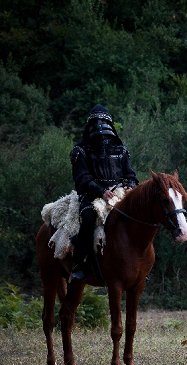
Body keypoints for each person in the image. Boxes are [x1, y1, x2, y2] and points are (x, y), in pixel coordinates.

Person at [69, 105, 138, 281]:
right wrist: (101, 191)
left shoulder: (121, 149)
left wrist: (130, 185)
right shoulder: (80, 151)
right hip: (91, 196)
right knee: (89, 218)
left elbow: (130, 175)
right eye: (96, 123)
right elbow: (82, 179)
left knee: (141, 217)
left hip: (119, 195)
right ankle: (79, 264)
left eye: (103, 123)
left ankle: (141, 265)